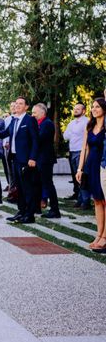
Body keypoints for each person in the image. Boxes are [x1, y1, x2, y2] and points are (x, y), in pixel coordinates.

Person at [0, 96, 39, 223]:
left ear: (26, 107)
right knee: (18, 187)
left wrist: (32, 157)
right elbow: (3, 134)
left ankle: (30, 215)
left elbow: (35, 140)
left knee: (27, 188)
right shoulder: (13, 121)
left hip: (26, 160)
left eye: (20, 104)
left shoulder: (30, 120)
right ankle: (21, 211)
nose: (17, 106)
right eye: (16, 103)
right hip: (14, 158)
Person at [76, 98, 106, 251]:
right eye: (92, 107)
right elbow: (84, 149)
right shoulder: (89, 126)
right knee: (97, 200)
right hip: (90, 166)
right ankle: (98, 234)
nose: (94, 109)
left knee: (105, 200)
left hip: (102, 166)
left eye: (98, 107)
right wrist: (80, 169)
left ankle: (105, 237)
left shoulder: (105, 127)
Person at [32, 103, 60, 218]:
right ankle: (37, 207)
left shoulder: (47, 124)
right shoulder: (38, 123)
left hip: (45, 159)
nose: (32, 115)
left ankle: (55, 210)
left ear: (42, 113)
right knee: (38, 183)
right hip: (39, 158)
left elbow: (40, 138)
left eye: (35, 112)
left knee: (48, 184)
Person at [63, 103, 90, 209]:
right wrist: (73, 134)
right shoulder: (72, 123)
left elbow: (86, 137)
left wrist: (73, 134)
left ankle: (85, 201)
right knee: (76, 177)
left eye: (78, 109)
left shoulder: (86, 122)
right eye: (74, 109)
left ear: (83, 111)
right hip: (72, 151)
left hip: (81, 151)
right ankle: (80, 199)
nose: (75, 111)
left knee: (82, 177)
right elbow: (65, 135)